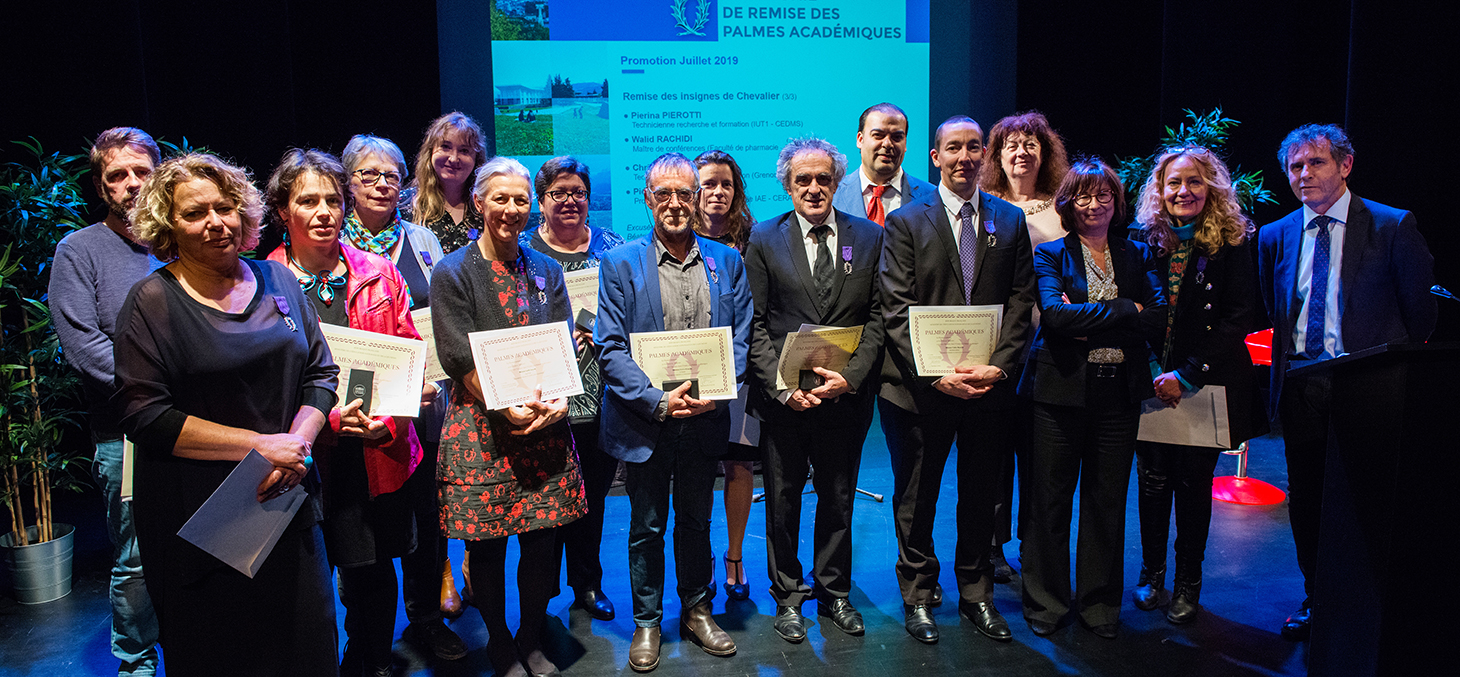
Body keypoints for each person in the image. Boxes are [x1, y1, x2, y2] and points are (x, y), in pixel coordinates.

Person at [114, 152, 339, 675]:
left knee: (307, 650)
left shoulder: (280, 282)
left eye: (225, 208)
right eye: (195, 213)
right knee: (220, 654)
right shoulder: (150, 302)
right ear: (166, 226)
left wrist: (295, 448)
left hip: (287, 498)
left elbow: (320, 375)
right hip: (201, 520)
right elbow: (143, 415)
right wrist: (259, 447)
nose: (215, 223)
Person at [1255, 124, 1436, 641]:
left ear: (1345, 165)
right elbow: (1276, 310)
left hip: (1370, 388)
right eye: (1295, 167)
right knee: (1307, 498)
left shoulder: (1391, 225)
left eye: (1315, 163)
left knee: (1370, 496)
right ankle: (1318, 598)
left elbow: (1420, 315)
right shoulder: (1276, 234)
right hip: (1302, 387)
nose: (1304, 175)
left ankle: (1372, 599)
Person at [260, 148, 431, 676]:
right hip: (304, 458)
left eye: (332, 199)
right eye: (307, 200)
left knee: (373, 575)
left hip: (377, 449)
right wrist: (329, 422)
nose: (324, 211)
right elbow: (267, 388)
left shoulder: (379, 272)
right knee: (306, 578)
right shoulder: (260, 282)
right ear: (283, 210)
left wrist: (400, 406)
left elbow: (405, 348)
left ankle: (372, 662)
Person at [878, 116, 1036, 644]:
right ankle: (919, 595)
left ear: (983, 155)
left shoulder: (1010, 221)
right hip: (922, 389)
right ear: (935, 157)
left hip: (989, 385)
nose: (964, 157)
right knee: (917, 496)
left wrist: (1002, 365)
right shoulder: (904, 222)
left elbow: (1020, 301)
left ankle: (977, 594)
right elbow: (894, 308)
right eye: (953, 148)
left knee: (981, 493)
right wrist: (935, 373)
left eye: (973, 147)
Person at [430, 156, 587, 677]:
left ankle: (530, 635)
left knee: (544, 544)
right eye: (500, 198)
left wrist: (561, 399)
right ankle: (499, 641)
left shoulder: (545, 269)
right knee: (489, 547)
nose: (511, 209)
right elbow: (456, 355)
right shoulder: (452, 271)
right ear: (478, 203)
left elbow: (562, 344)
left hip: (543, 426)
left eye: (521, 199)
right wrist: (504, 405)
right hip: (483, 431)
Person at [596, 153, 752, 672]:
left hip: (706, 417)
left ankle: (696, 609)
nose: (675, 203)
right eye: (663, 193)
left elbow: (742, 337)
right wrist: (658, 400)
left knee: (695, 521)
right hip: (646, 421)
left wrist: (720, 389)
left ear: (697, 197)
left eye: (684, 193)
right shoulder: (620, 263)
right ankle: (646, 621)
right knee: (645, 526)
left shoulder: (725, 261)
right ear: (647, 199)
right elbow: (611, 346)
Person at [743, 137, 885, 643]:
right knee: (782, 501)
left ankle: (834, 593)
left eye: (823, 178)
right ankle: (787, 596)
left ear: (836, 182)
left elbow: (878, 319)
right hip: (785, 401)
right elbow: (754, 325)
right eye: (802, 179)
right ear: (787, 184)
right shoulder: (763, 237)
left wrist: (853, 377)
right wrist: (781, 387)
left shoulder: (868, 237)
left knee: (839, 496)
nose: (814, 187)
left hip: (843, 397)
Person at [1017, 159, 1166, 640]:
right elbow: (1056, 317)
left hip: (1118, 395)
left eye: (1103, 195)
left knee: (1106, 503)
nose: (1094, 204)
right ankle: (1046, 603)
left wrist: (1098, 317)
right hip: (1058, 395)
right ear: (1068, 203)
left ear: (1116, 202)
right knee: (1050, 501)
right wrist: (1125, 309)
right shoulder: (1051, 254)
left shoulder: (1136, 253)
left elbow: (1159, 315)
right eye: (1083, 196)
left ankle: (1100, 604)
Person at [339, 134, 466, 661]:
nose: (383, 184)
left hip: (423, 404)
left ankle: (426, 619)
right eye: (369, 175)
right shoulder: (326, 249)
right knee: (361, 528)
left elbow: (442, 315)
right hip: (352, 410)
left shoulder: (422, 242)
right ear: (348, 184)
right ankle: (367, 635)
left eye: (392, 175)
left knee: (426, 516)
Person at [1130, 146, 1269, 625]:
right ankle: (1151, 574)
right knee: (1151, 484)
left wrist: (1186, 373)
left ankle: (1189, 582)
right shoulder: (1141, 238)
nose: (1182, 191)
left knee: (1192, 486)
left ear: (1210, 186)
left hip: (1204, 383)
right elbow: (1133, 311)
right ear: (1159, 190)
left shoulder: (1234, 242)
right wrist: (1152, 370)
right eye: (1172, 183)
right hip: (1151, 382)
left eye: (1193, 181)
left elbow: (1239, 318)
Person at [49, 127, 164, 676]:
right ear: (101, 187)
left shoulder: (183, 242)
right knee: (136, 558)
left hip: (205, 425)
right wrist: (160, 392)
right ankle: (137, 666)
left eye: (141, 170)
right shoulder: (79, 251)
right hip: (127, 432)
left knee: (209, 540)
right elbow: (84, 346)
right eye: (117, 175)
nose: (132, 183)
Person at [519, 156, 625, 622]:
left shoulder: (611, 247)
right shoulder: (521, 250)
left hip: (602, 394)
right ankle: (539, 595)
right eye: (558, 193)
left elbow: (630, 307)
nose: (569, 201)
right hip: (542, 396)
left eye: (578, 192)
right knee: (546, 501)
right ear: (541, 201)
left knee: (593, 498)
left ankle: (587, 582)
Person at [977, 110, 1072, 583]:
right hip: (996, 346)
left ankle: (1036, 546)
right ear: (997, 155)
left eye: (1031, 143)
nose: (1021, 151)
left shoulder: (1065, 206)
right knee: (993, 454)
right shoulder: (983, 204)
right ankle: (991, 547)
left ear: (1045, 152)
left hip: (1052, 348)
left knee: (1040, 456)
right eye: (1011, 144)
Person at [692, 149, 756, 602]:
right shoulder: (674, 237)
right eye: (708, 184)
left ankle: (734, 554)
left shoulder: (757, 241)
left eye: (726, 184)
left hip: (742, 371)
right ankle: (701, 557)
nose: (717, 192)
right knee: (695, 469)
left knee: (739, 463)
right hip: (687, 372)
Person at [832, 102, 936, 226]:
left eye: (897, 137)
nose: (887, 144)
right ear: (860, 139)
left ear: (905, 143)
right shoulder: (834, 195)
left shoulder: (932, 198)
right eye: (878, 135)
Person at [400, 112, 488, 254]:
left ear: (476, 159)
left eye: (464, 150)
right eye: (445, 147)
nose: (453, 158)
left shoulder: (486, 209)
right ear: (431, 151)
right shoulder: (403, 205)